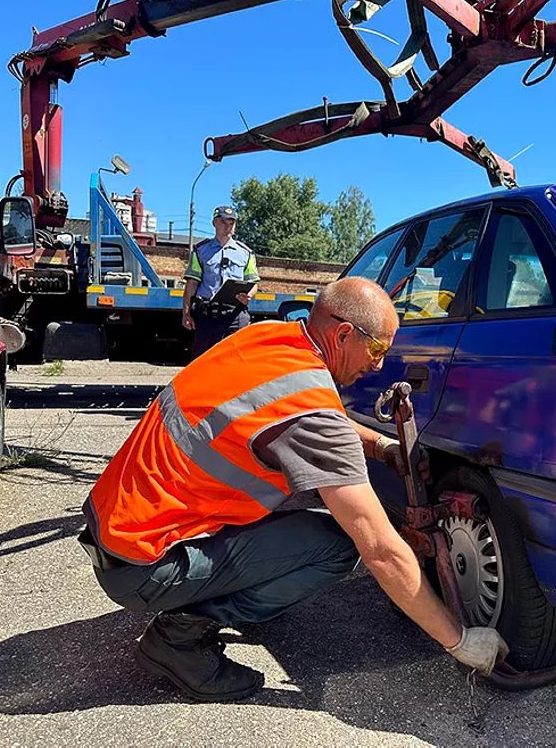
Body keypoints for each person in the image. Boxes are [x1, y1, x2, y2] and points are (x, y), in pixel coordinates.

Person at [79, 277, 508, 702]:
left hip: (116, 530)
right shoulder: (308, 405)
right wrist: (459, 640)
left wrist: (379, 447)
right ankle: (178, 637)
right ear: (343, 334)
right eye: (377, 350)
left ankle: (214, 592)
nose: (379, 365)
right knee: (341, 545)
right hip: (144, 567)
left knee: (303, 526)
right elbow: (380, 547)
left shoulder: (267, 339)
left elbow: (309, 414)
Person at [181, 205, 261, 358]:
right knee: (203, 361)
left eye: (232, 223)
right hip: (208, 316)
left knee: (237, 362)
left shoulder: (246, 253)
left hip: (235, 315)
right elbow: (192, 284)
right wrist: (186, 313)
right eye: (224, 222)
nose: (228, 227)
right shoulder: (200, 251)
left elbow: (254, 282)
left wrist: (248, 295)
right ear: (215, 223)